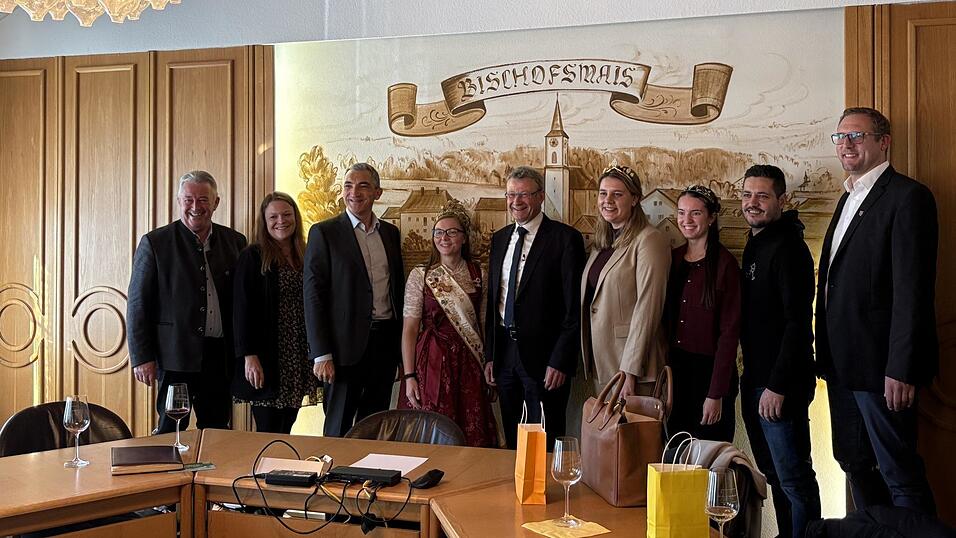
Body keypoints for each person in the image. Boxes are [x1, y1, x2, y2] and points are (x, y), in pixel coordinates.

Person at [817, 107, 938, 515]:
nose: (846, 144)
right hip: (842, 365)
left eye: (857, 136)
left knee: (898, 473)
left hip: (882, 370)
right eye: (840, 137)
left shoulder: (908, 197)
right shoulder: (848, 196)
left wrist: (901, 367)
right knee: (854, 464)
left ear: (883, 141)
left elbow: (912, 291)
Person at [128, 170, 247, 433]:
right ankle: (168, 474)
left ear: (216, 203)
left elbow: (244, 303)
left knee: (216, 429)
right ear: (179, 201)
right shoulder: (155, 242)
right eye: (189, 199)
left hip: (219, 355)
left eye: (203, 200)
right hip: (175, 356)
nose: (196, 207)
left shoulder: (235, 242)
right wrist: (141, 357)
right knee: (170, 428)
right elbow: (138, 304)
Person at [739, 164, 820, 538]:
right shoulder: (757, 243)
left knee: (795, 480)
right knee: (775, 476)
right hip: (755, 380)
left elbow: (798, 325)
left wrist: (777, 386)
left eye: (762, 196)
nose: (752, 203)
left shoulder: (790, 248)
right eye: (747, 195)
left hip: (778, 387)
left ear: (782, 200)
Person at [484, 166, 585, 449]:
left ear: (541, 196)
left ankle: (546, 493)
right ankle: (514, 491)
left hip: (545, 359)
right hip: (504, 355)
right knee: (513, 436)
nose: (516, 201)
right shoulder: (500, 238)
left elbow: (572, 308)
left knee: (545, 436)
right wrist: (490, 354)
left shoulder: (565, 239)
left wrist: (561, 360)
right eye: (511, 194)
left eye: (524, 194)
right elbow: (495, 301)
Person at [303, 163, 405, 437]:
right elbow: (313, 296)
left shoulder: (391, 234)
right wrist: (320, 353)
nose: (354, 192)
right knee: (338, 428)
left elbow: (396, 291)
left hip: (383, 346)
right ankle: (332, 479)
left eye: (363, 186)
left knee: (373, 426)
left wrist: (399, 354)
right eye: (348, 185)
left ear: (377, 192)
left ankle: (368, 480)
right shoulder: (324, 233)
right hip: (342, 350)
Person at [397, 200, 498, 447]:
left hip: (469, 362)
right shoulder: (421, 275)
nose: (444, 238)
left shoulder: (480, 274)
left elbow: (485, 325)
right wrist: (409, 375)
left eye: (452, 232)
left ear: (464, 237)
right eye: (439, 232)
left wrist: (489, 363)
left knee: (471, 428)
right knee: (431, 429)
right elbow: (410, 329)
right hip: (430, 361)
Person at [579, 165, 669, 401]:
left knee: (633, 438)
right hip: (605, 362)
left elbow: (648, 309)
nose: (607, 200)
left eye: (617, 194)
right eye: (603, 193)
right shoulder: (603, 241)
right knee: (609, 437)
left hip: (632, 368)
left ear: (635, 199)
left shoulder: (649, 240)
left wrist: (629, 369)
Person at [232, 192, 318, 434]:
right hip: (267, 356)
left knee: (288, 424)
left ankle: (283, 471)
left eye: (287, 215)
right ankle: (265, 471)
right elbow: (241, 309)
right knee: (269, 428)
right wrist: (249, 355)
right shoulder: (253, 256)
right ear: (264, 221)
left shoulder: (306, 254)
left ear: (296, 218)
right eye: (273, 216)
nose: (281, 221)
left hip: (297, 354)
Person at [664, 184, 740, 442]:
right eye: (681, 212)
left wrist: (716, 394)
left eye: (695, 213)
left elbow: (729, 334)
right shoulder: (671, 259)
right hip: (676, 372)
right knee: (676, 455)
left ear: (711, 217)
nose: (686, 220)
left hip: (709, 375)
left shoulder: (725, 265)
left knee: (710, 457)